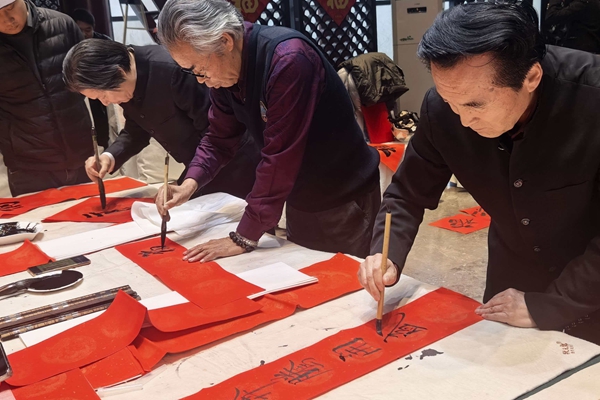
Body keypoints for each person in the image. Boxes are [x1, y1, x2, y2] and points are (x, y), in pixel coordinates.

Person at [358, 1, 600, 344]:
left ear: (531, 77)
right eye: (450, 102)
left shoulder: (592, 97)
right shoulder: (444, 109)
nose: (462, 120)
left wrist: (552, 304)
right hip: (513, 273)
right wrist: (387, 256)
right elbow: (407, 194)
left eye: (475, 105)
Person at [155, 0, 381, 262]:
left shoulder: (288, 60)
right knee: (304, 272)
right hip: (299, 195)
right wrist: (189, 184)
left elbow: (280, 156)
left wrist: (243, 236)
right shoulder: (225, 73)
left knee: (344, 278)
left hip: (343, 196)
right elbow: (219, 138)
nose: (200, 80)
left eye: (200, 70)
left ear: (225, 41)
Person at [63, 39, 261, 199]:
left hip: (237, 165)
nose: (105, 102)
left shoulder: (172, 70)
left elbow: (218, 136)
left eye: (102, 95)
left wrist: (189, 183)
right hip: (200, 169)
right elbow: (136, 131)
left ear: (118, 72)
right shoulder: (124, 84)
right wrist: (109, 156)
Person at [0, 0, 92, 196]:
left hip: (80, 153)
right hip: (28, 164)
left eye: (10, 8)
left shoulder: (63, 25)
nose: (7, 20)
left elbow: (91, 80)